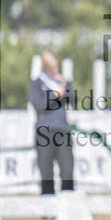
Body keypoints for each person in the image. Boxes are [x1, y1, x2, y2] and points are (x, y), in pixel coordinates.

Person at [30, 51, 75, 195]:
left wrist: (66, 86)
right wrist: (55, 95)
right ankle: (48, 206)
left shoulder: (62, 82)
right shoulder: (37, 84)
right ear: (46, 68)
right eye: (53, 67)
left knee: (67, 169)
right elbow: (39, 105)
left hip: (62, 131)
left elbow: (73, 101)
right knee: (46, 172)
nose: (57, 70)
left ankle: (69, 204)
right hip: (44, 132)